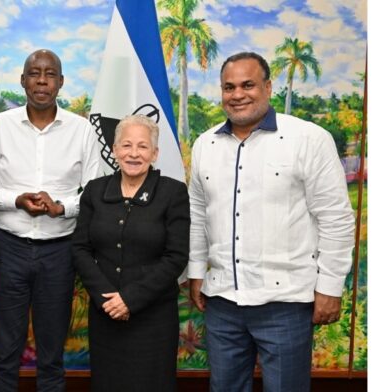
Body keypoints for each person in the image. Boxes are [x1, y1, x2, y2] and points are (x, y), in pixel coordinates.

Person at [188, 52, 356, 391]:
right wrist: (194, 272)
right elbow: (197, 214)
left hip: (286, 303)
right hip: (222, 301)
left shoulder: (308, 139)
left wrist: (330, 287)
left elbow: (336, 219)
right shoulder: (205, 144)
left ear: (268, 87)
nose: (238, 94)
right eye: (229, 87)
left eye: (248, 85)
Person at [0, 49, 101, 391]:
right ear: (23, 80)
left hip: (60, 253)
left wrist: (60, 207)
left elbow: (94, 191)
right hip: (9, 249)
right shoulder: (1, 125)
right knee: (5, 352)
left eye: (49, 74)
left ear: (60, 82)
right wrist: (15, 200)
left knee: (51, 355)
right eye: (34, 73)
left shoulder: (82, 130)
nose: (41, 81)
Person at [72, 115, 189, 391]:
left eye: (142, 146)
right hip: (106, 315)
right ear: (114, 150)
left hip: (154, 319)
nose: (134, 153)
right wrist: (108, 300)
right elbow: (80, 249)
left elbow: (176, 256)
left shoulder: (172, 193)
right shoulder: (95, 190)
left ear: (155, 153)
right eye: (126, 145)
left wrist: (130, 300)